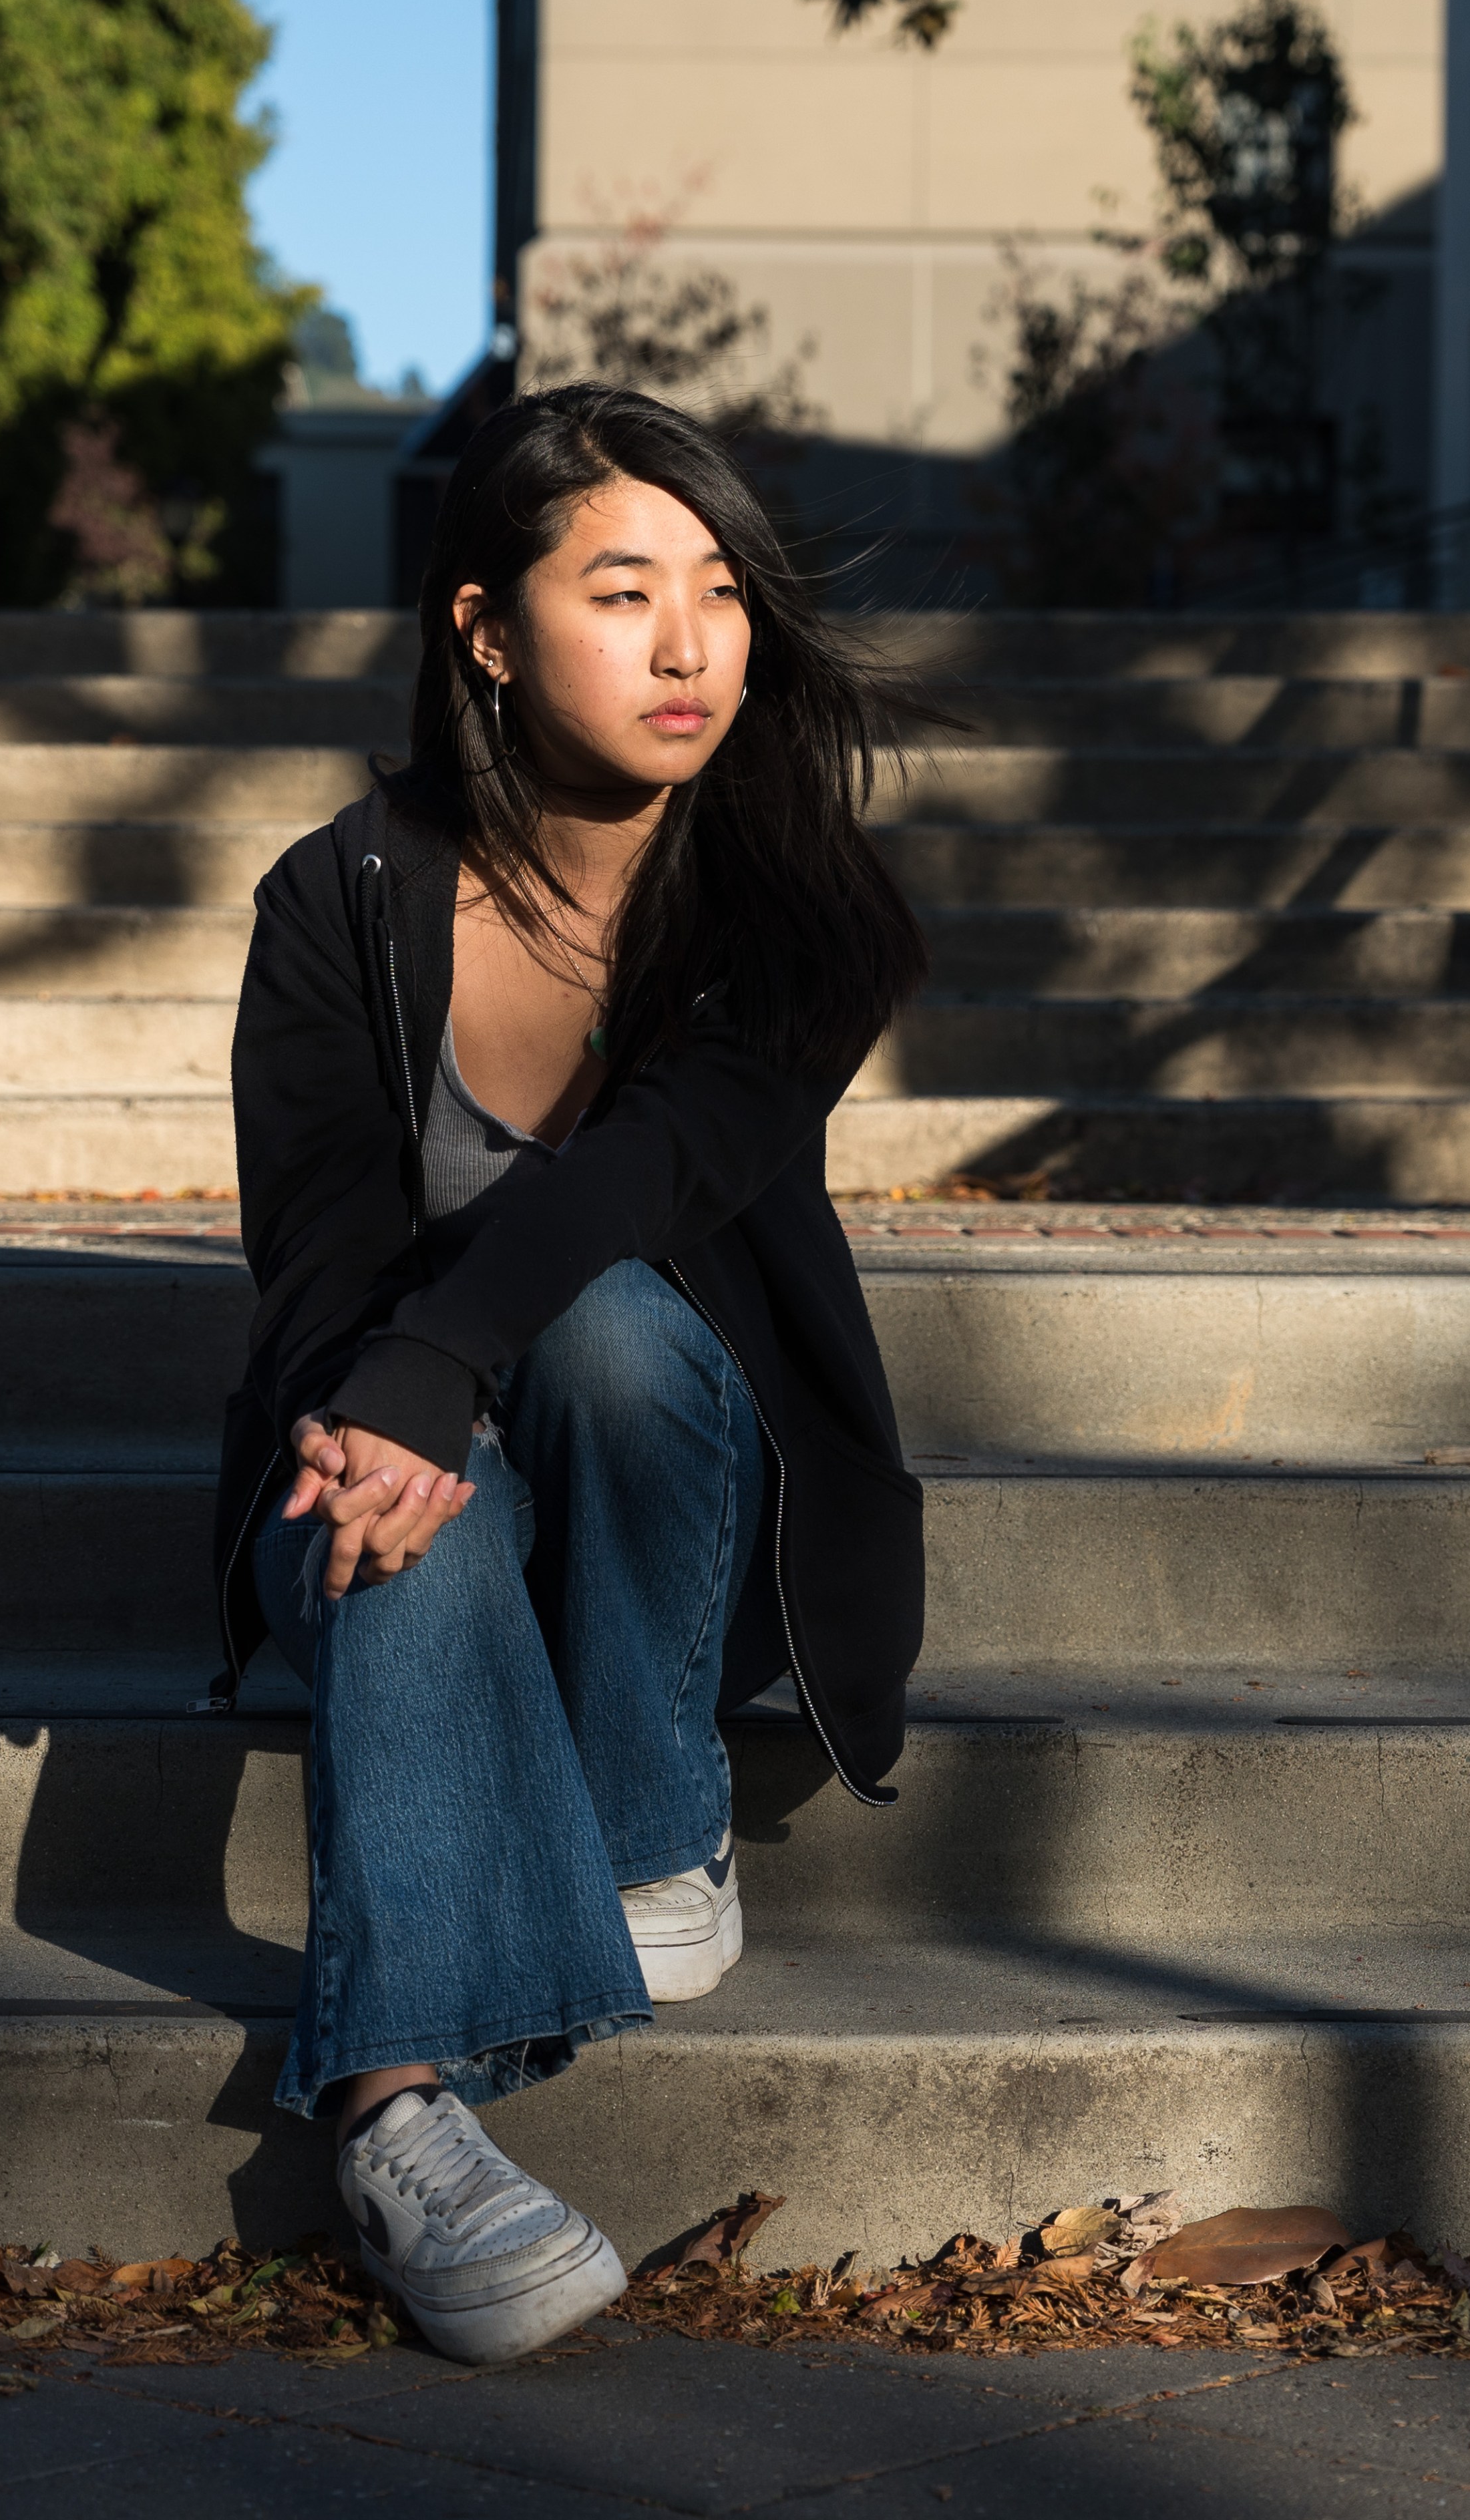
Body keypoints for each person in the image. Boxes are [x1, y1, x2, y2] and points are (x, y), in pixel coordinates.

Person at [216, 382, 930, 2366]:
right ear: (484, 625)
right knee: (399, 1514)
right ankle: (394, 2122)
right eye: (623, 591)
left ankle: (647, 1806)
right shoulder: (336, 904)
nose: (692, 643)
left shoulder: (806, 904)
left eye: (720, 590)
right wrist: (392, 1417)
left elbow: (652, 1168)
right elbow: (326, 1258)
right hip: (399, 1442)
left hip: (661, 1471)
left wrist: (443, 1357)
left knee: (613, 1313)